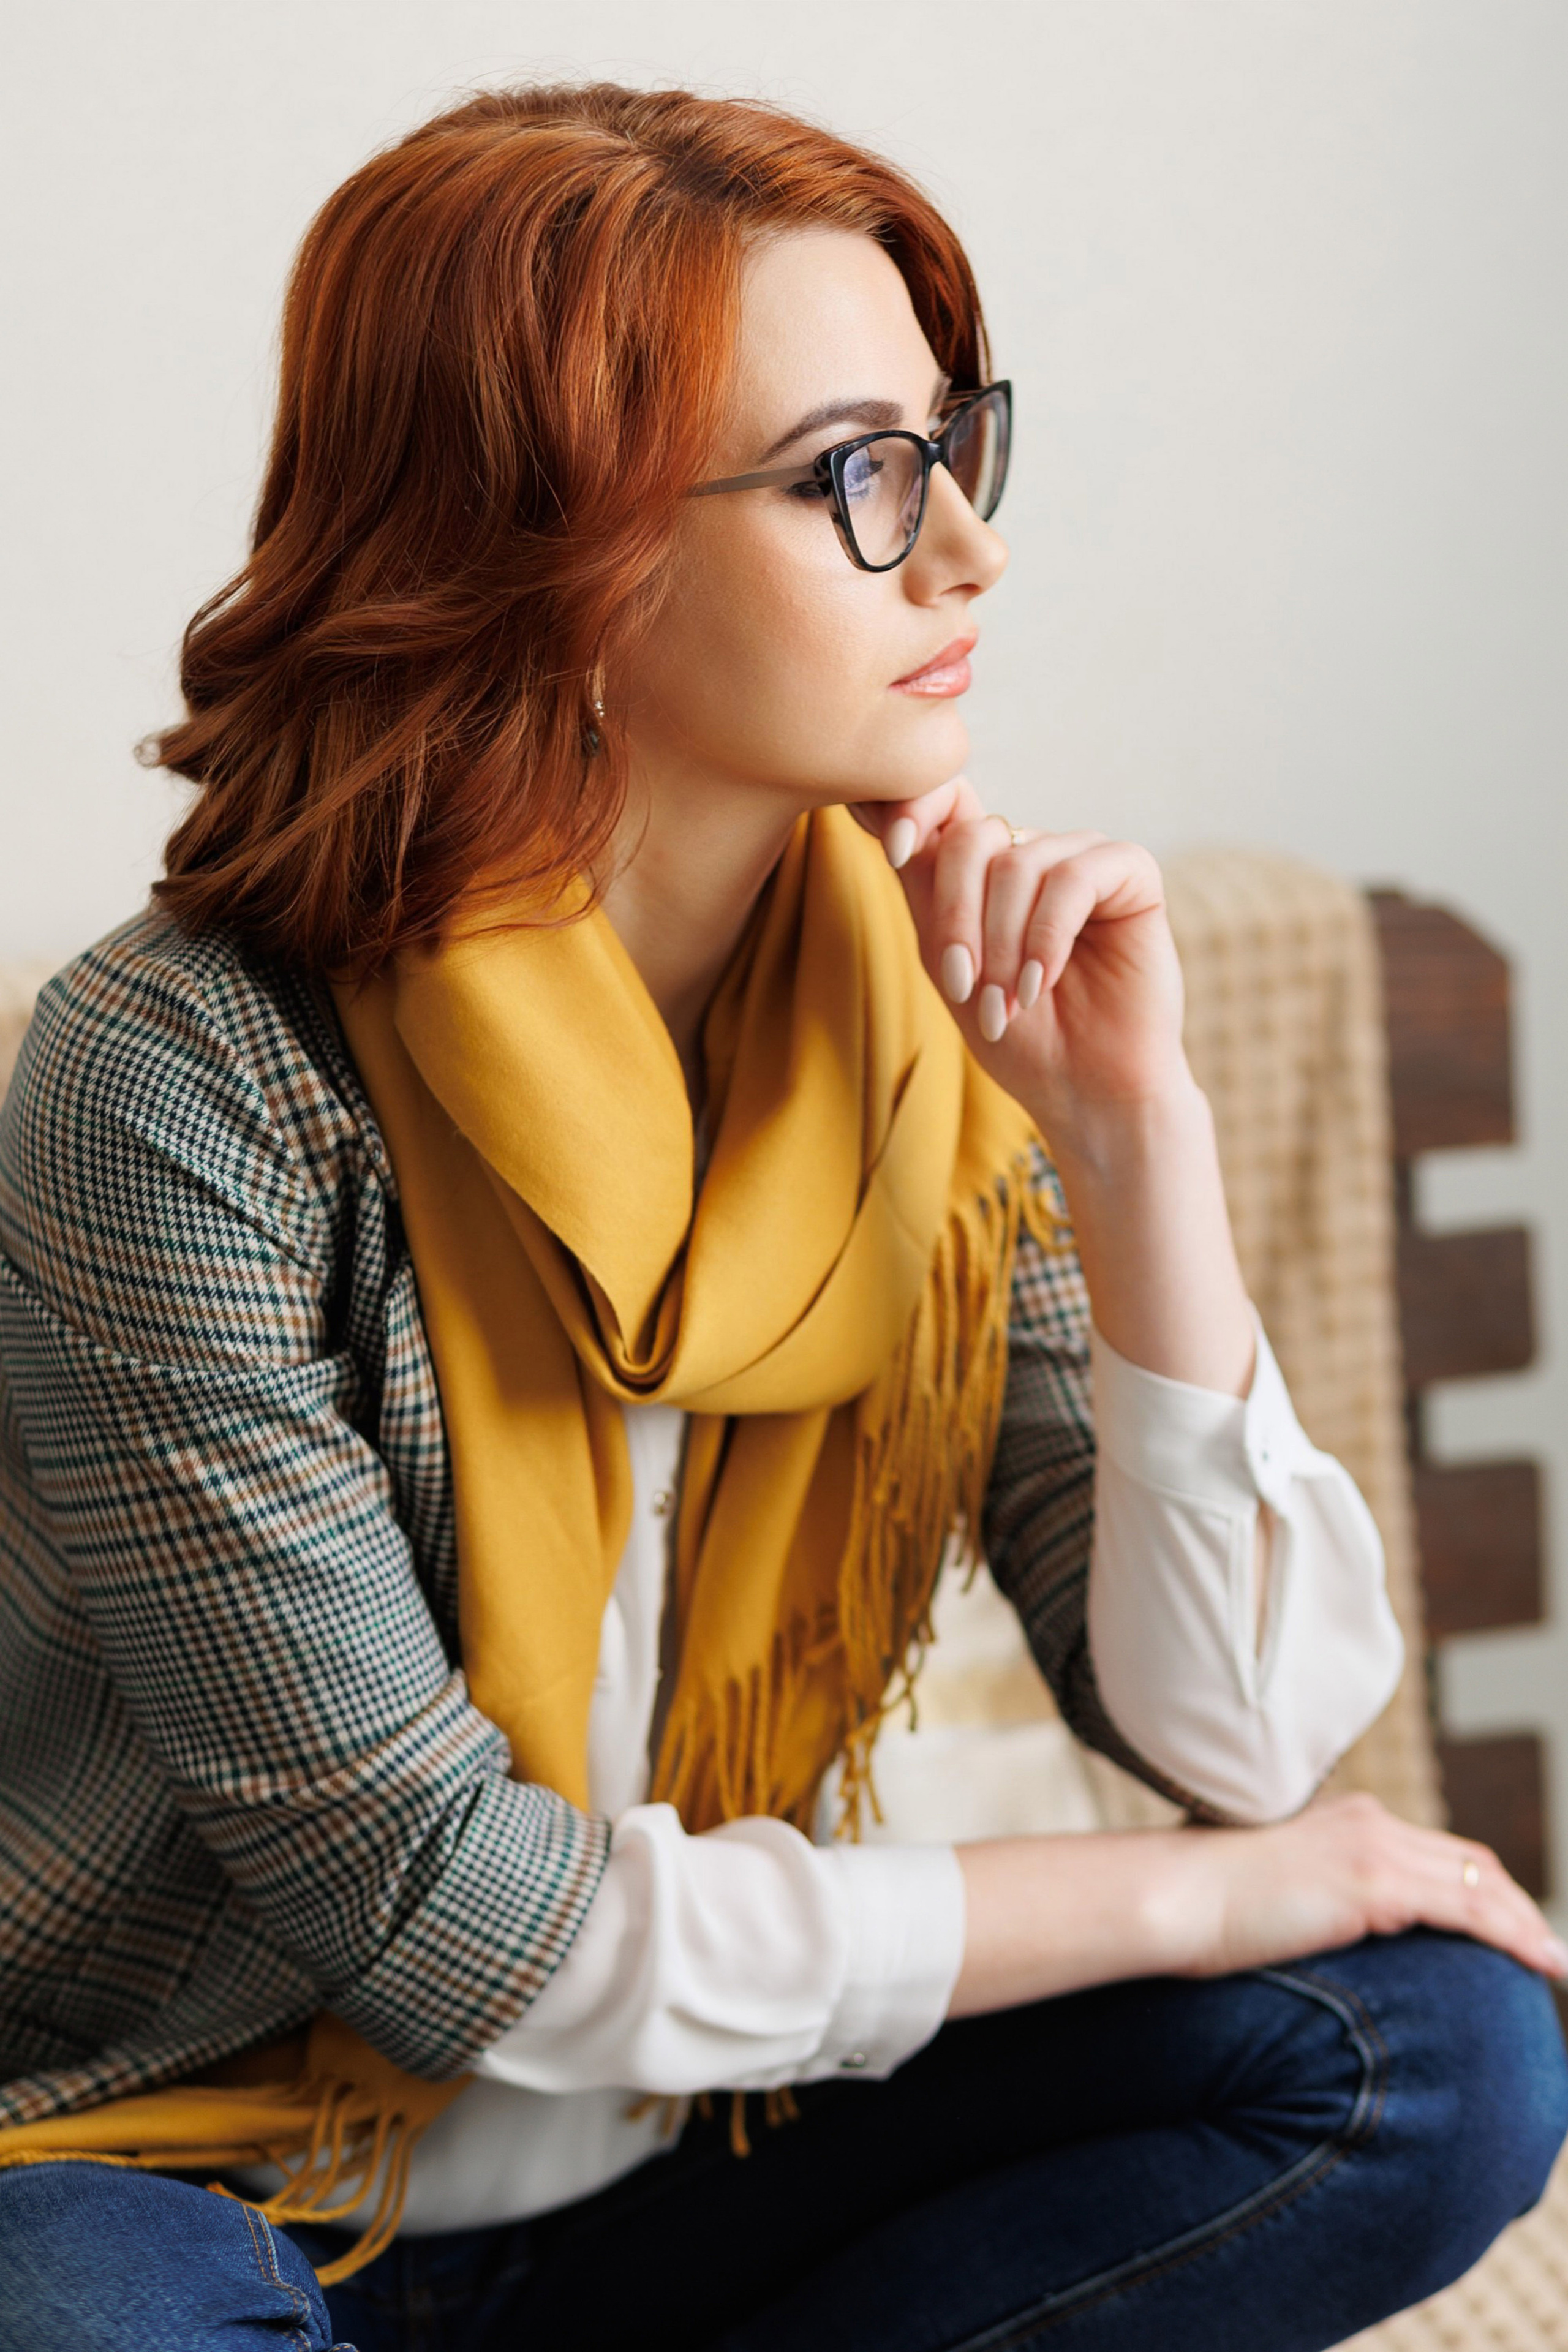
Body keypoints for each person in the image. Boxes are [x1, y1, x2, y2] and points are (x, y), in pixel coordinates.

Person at [0, 81, 1562, 2352]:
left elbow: (1239, 1746)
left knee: (1429, 2047)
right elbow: (456, 1923)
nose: (970, 555)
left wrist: (1133, 1143)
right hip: (198, 2163)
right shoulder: (178, 1084)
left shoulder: (915, 1022)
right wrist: (1184, 1904)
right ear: (563, 546)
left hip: (697, 2165)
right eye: (859, 475)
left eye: (953, 444)